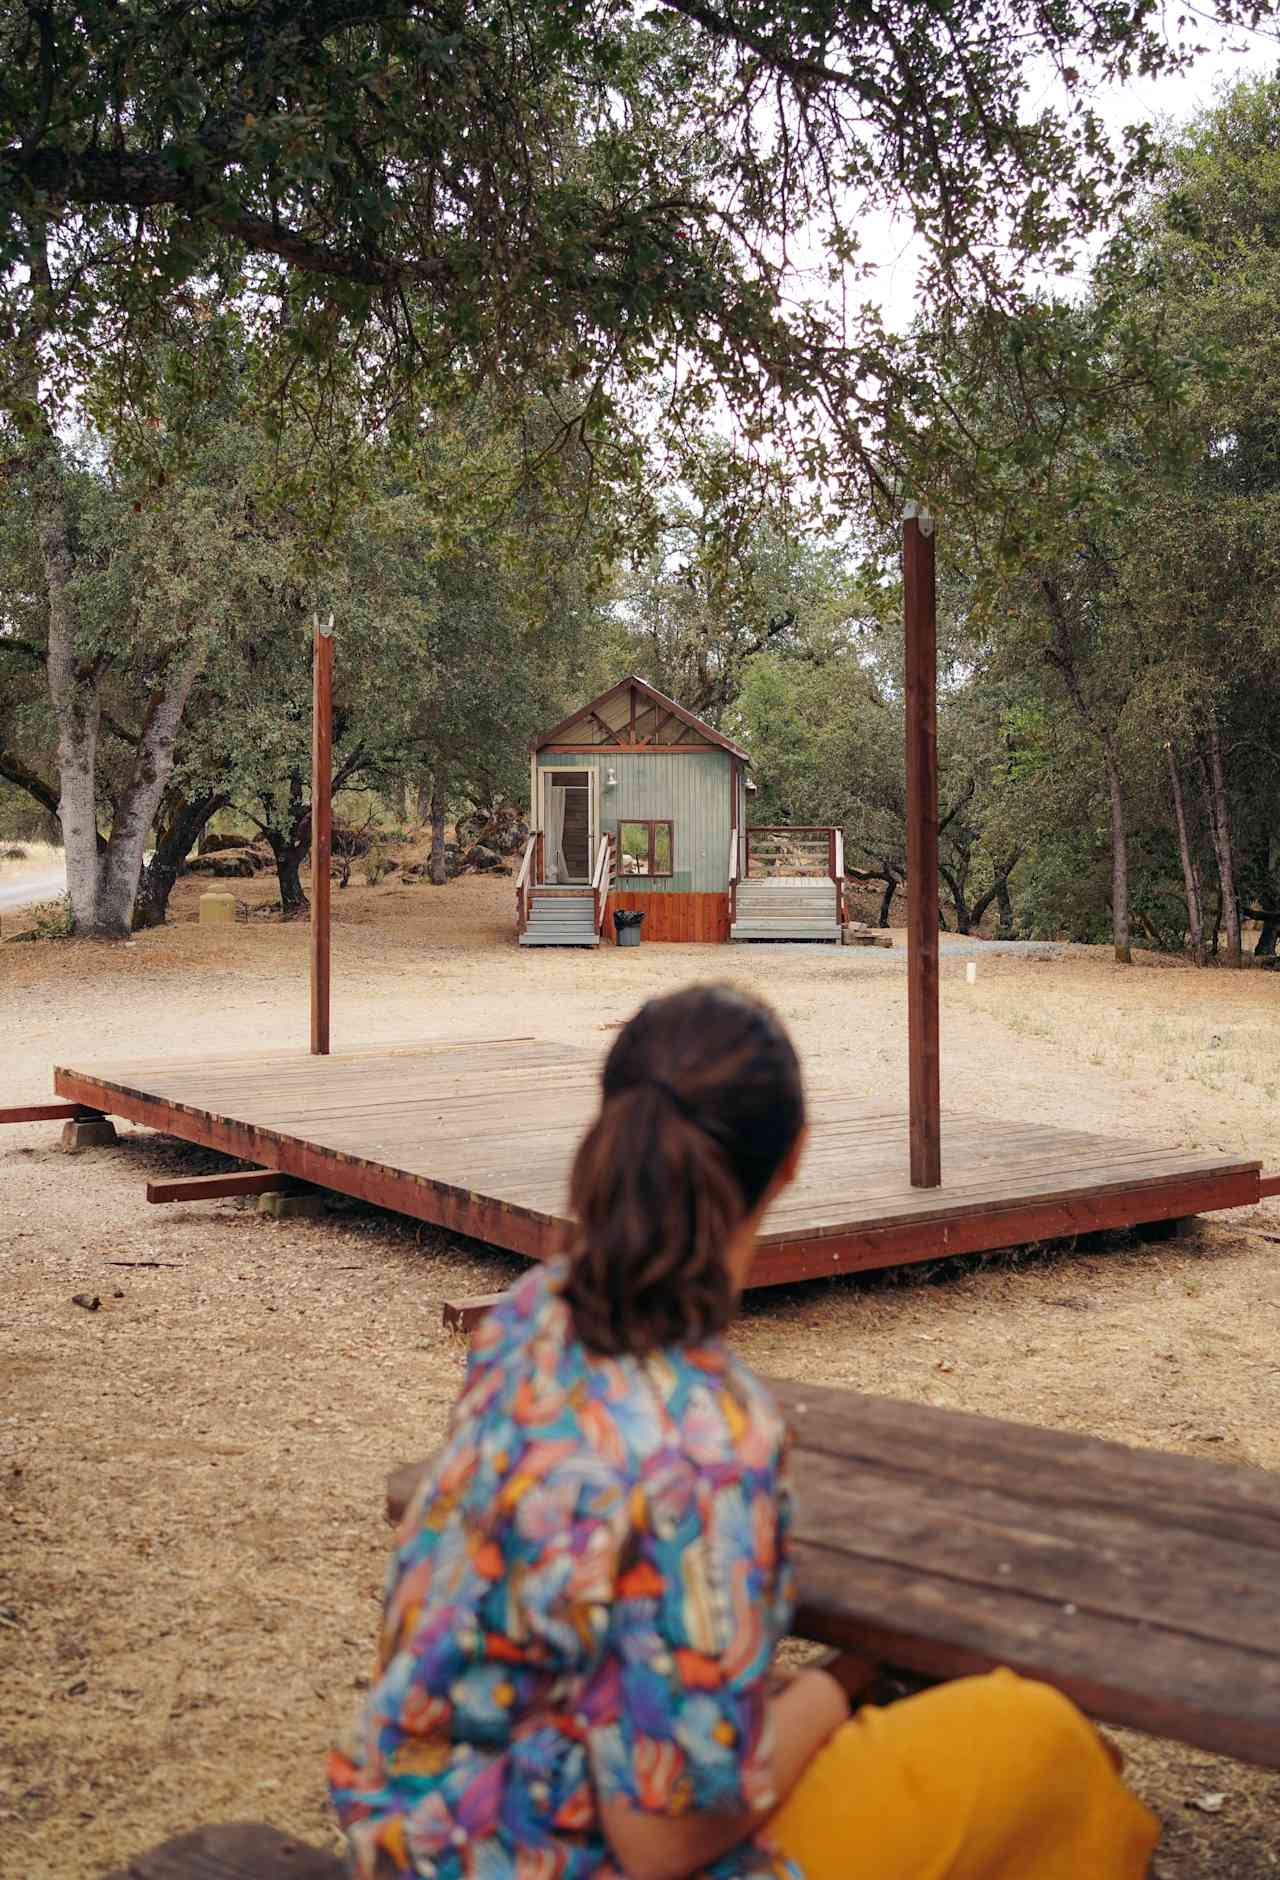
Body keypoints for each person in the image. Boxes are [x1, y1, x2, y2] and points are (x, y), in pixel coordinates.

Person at [330, 985, 1159, 1879]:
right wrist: (837, 1682)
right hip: (554, 1854)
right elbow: (661, 1841)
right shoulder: (709, 1441)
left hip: (411, 1829)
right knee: (1040, 1744)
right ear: (795, 1156)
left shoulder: (534, 1317)